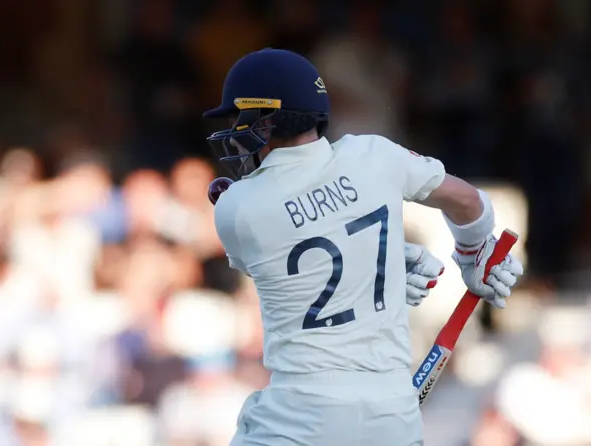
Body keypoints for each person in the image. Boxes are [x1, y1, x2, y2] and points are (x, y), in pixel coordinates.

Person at [202, 48, 523, 446]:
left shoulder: (237, 207)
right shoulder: (372, 153)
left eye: (239, 119)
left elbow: (284, 262)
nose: (234, 134)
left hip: (300, 418)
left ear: (265, 121)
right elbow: (469, 202)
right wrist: (474, 252)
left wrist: (373, 257)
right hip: (394, 419)